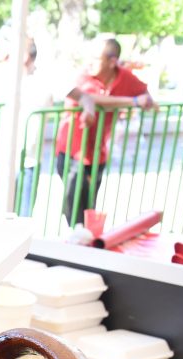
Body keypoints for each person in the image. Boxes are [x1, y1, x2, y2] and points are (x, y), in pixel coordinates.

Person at [56, 38, 156, 226]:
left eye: (96, 58)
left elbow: (145, 94)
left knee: (89, 208)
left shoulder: (125, 77)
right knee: (76, 206)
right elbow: (87, 97)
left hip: (97, 153)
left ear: (112, 61)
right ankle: (77, 234)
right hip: (72, 151)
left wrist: (146, 100)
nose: (90, 63)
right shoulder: (84, 76)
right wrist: (133, 102)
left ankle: (86, 236)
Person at [0, 39, 53, 216]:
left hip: (28, 160)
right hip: (3, 159)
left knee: (23, 216)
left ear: (25, 56)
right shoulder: (6, 81)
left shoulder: (42, 82)